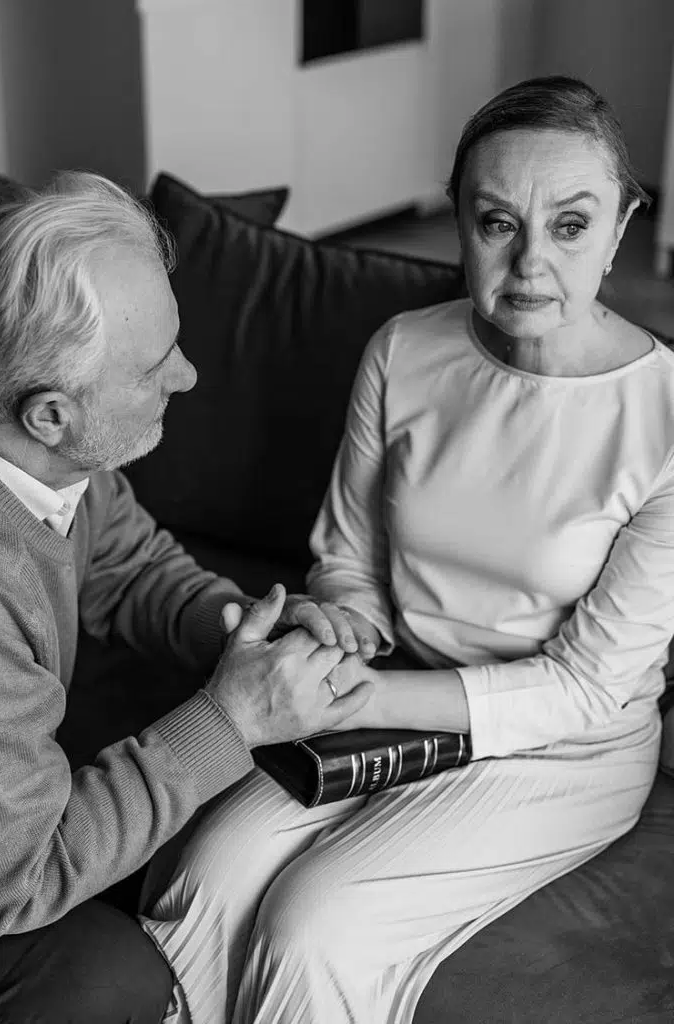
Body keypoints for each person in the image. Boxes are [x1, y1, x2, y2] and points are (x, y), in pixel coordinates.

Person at [140, 76, 674, 1024]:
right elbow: (346, 554)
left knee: (316, 922)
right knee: (209, 870)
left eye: (571, 225)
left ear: (623, 228)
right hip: (393, 698)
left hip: (563, 745)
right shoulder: (403, 350)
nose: (531, 266)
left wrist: (372, 694)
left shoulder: (663, 420)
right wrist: (348, 626)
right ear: (459, 220)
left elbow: (589, 686)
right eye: (497, 222)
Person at [0, 173, 373, 1024]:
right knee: (116, 982)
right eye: (152, 367)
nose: (188, 375)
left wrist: (247, 632)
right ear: (50, 416)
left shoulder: (49, 465)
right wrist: (232, 720)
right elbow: (14, 879)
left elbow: (132, 566)